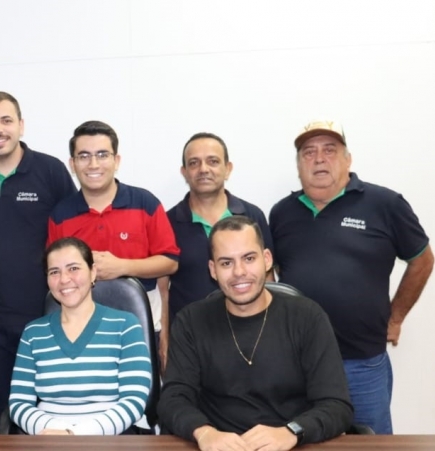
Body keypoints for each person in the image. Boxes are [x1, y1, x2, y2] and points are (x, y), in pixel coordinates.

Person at [270, 120, 434, 434]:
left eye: (330, 150)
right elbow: (274, 275)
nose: (319, 158)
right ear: (299, 166)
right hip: (298, 364)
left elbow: (423, 261)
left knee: (371, 442)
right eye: (308, 152)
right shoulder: (281, 213)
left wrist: (396, 317)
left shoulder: (385, 204)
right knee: (302, 440)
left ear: (348, 159)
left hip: (361, 363)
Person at [158, 215, 353, 450]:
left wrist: (292, 432)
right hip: (219, 446)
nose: (239, 272)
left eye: (249, 258)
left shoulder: (308, 317)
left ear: (267, 259)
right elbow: (173, 398)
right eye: (226, 263)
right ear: (213, 270)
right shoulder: (191, 321)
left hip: (289, 444)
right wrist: (204, 432)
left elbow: (336, 405)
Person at [0, 91, 77, 418]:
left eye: (6, 120)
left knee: (46, 409)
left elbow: (71, 241)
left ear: (21, 125)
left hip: (46, 315)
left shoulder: (50, 171)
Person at [48, 120, 179, 341]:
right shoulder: (60, 215)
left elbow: (170, 262)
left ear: (116, 160)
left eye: (102, 155)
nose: (93, 164)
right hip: (80, 329)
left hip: (142, 325)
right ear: (72, 164)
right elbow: (54, 273)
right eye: (84, 156)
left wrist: (122, 267)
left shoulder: (145, 203)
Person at [9, 237, 152, 435]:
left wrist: (75, 434)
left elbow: (134, 401)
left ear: (93, 272)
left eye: (73, 268)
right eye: (54, 272)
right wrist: (56, 432)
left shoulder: (126, 326)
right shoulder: (33, 333)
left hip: (113, 439)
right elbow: (19, 403)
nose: (64, 279)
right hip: (49, 438)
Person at [158, 133, 272, 372]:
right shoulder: (167, 223)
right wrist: (165, 341)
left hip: (250, 338)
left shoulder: (252, 216)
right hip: (191, 342)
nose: (203, 169)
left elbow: (268, 280)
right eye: (194, 163)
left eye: (212, 161)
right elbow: (163, 290)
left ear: (227, 168)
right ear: (184, 172)